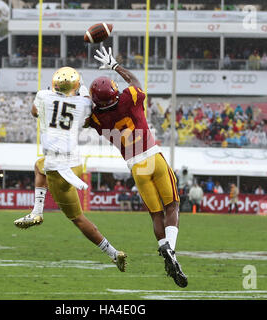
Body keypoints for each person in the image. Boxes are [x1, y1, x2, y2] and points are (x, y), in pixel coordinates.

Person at [87, 46, 187, 287]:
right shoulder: (128, 99)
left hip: (136, 166)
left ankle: (165, 249)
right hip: (153, 156)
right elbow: (135, 81)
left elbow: (84, 115)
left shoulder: (98, 119)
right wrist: (115, 66)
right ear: (113, 93)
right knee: (172, 205)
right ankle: (170, 250)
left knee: (156, 214)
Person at [13, 66, 127, 272]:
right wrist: (80, 91)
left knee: (78, 218)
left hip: (57, 168)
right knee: (39, 165)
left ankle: (38, 213)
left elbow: (34, 112)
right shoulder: (83, 102)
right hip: (76, 164)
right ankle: (36, 212)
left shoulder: (44, 95)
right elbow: (84, 118)